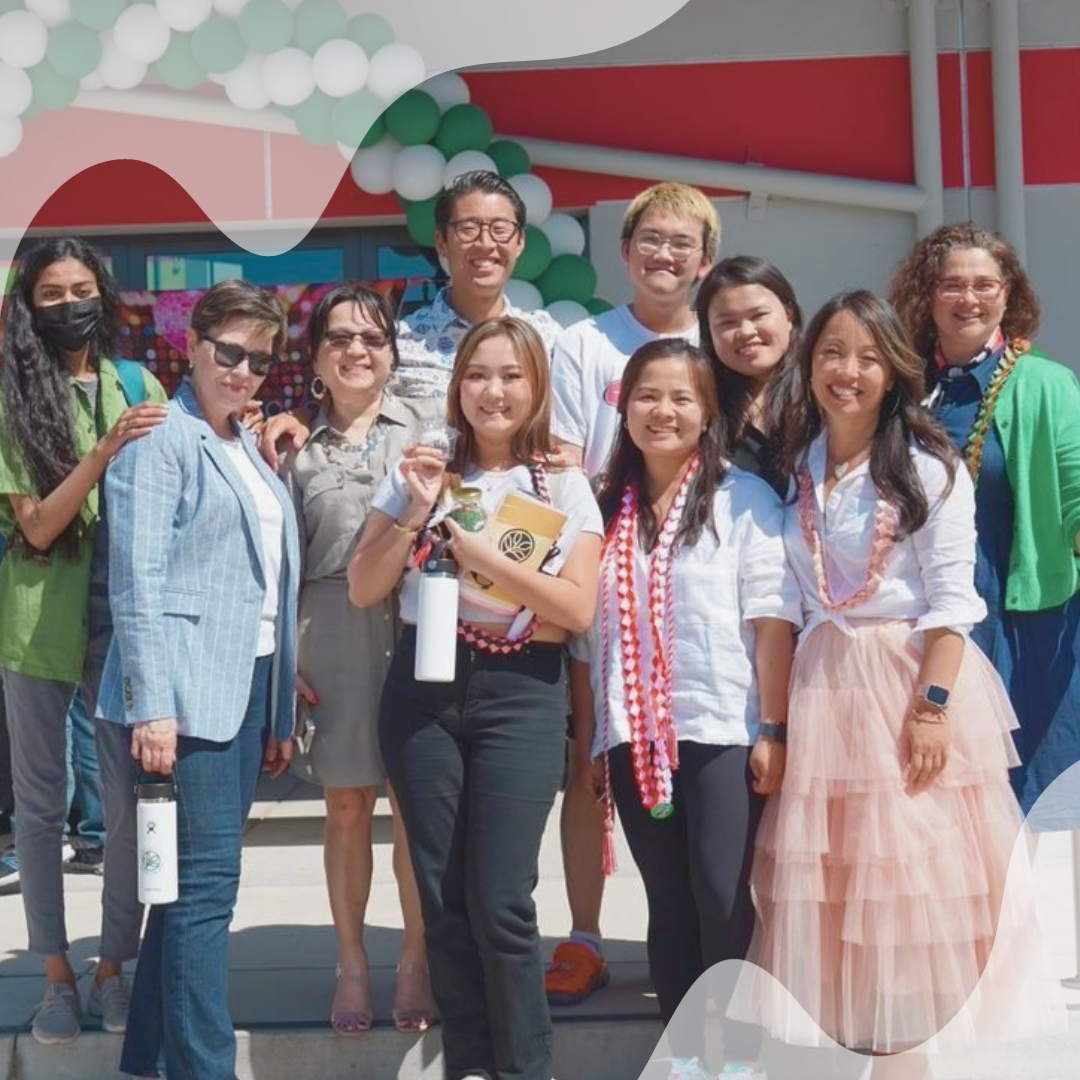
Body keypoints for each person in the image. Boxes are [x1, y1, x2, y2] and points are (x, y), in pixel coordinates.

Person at [733, 290, 1061, 1076]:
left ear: (895, 371)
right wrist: (772, 726)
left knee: (905, 896)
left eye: (868, 356)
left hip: (903, 683)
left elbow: (953, 603)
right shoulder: (797, 463)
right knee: (838, 897)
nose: (847, 372)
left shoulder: (925, 465)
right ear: (808, 366)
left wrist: (933, 711)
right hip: (821, 687)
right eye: (832, 354)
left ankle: (908, 1065)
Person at [350, 316, 603, 1080]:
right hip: (424, 690)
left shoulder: (562, 483)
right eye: (478, 375)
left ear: (537, 388)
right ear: (457, 385)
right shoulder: (422, 468)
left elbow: (577, 609)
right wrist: (420, 510)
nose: (493, 391)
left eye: (511, 376)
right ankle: (469, 1063)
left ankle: (526, 1066)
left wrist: (478, 553)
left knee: (500, 899)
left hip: (522, 691)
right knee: (442, 896)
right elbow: (364, 586)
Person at [575, 338, 799, 1080]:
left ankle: (740, 1055)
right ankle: (686, 1054)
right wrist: (592, 736)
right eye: (647, 396)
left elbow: (772, 619)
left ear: (708, 412)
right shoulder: (601, 507)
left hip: (721, 729)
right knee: (667, 900)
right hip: (633, 733)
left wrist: (772, 727)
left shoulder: (744, 497)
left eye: (681, 398)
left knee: (719, 892)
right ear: (623, 407)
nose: (662, 411)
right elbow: (586, 629)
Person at [97, 280, 300, 1080]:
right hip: (181, 701)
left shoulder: (241, 441)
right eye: (231, 352)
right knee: (205, 893)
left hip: (245, 691)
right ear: (194, 345)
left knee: (186, 896)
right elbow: (136, 580)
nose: (244, 370)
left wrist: (277, 705)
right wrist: (152, 707)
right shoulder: (161, 436)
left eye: (260, 358)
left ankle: (143, 1063)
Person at [546, 181, 719, 1007]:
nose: (664, 255)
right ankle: (584, 931)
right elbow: (565, 467)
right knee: (596, 763)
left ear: (705, 259)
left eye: (682, 242)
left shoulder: (718, 336)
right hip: (609, 572)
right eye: (649, 239)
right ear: (624, 251)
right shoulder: (586, 344)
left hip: (699, 582)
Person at [0, 237, 168, 1043]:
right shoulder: (8, 398)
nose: (71, 304)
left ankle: (113, 969)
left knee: (130, 804)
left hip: (125, 620)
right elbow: (35, 527)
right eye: (52, 293)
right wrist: (103, 452)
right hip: (36, 619)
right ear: (29, 308)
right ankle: (56, 976)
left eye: (82, 288)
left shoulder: (135, 383)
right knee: (40, 808)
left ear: (104, 293)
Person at [889, 223, 1080, 830]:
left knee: (1030, 806)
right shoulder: (901, 387)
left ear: (1007, 294)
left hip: (1022, 626)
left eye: (984, 284)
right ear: (927, 294)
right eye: (952, 285)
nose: (967, 298)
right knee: (934, 805)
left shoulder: (1046, 384)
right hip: (922, 626)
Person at [283, 283, 436, 1034]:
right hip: (330, 630)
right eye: (340, 338)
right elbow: (270, 566)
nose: (356, 350)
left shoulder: (431, 431)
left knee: (415, 809)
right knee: (346, 806)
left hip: (416, 626)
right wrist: (285, 659)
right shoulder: (290, 448)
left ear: (391, 355)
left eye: (372, 339)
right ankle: (351, 966)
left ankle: (414, 960)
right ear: (315, 358)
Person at [258, 170, 561, 467]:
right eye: (468, 228)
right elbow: (348, 405)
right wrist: (303, 416)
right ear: (442, 242)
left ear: (519, 242)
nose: (485, 243)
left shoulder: (548, 338)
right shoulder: (401, 341)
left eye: (500, 229)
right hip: (419, 509)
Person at [696, 255, 803, 486]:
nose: (745, 331)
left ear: (789, 316)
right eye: (727, 322)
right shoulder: (701, 406)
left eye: (758, 316)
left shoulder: (822, 392)